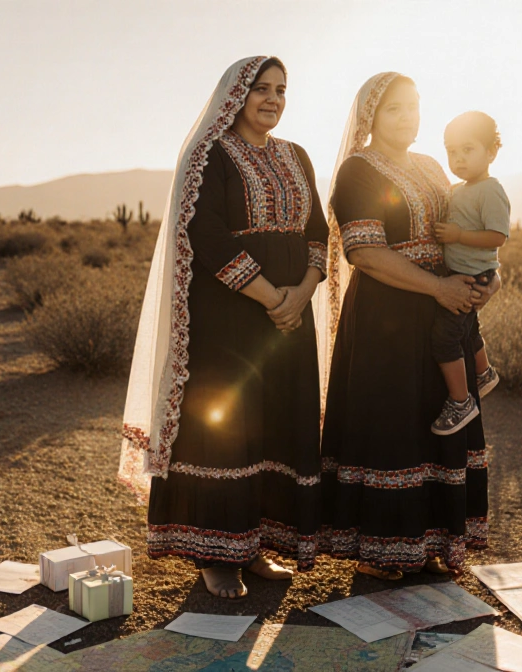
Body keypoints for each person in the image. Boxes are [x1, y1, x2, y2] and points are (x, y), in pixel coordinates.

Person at [119, 56, 329, 599]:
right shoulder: (209, 155)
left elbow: (316, 234)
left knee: (276, 424)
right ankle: (215, 554)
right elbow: (206, 235)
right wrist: (268, 296)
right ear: (236, 94)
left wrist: (300, 296)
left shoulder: (297, 156)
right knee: (227, 428)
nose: (273, 100)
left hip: (288, 322)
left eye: (282, 90)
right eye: (262, 88)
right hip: (228, 320)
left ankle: (254, 545)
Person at [314, 73, 496, 580]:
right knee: (393, 425)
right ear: (370, 115)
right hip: (387, 318)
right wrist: (438, 287)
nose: (408, 117)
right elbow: (366, 254)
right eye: (395, 108)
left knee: (440, 419)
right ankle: (382, 549)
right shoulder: (358, 171)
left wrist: (487, 282)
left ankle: (434, 541)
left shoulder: (433, 165)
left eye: (414, 106)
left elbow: (470, 238)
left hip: (447, 313)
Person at [430, 111, 511, 436]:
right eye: (452, 151)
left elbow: (498, 237)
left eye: (468, 149)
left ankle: (461, 400)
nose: (458, 158)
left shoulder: (490, 190)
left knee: (445, 338)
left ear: (491, 151)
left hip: (471, 276)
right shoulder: (462, 187)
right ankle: (484, 373)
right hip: (463, 273)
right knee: (467, 330)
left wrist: (457, 236)